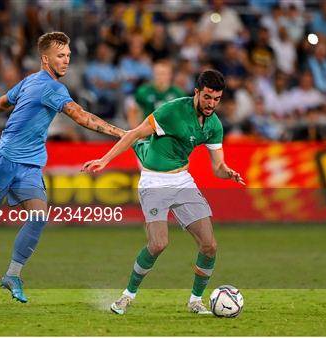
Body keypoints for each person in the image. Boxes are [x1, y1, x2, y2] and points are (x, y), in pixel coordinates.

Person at [0, 32, 125, 302]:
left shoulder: (30, 81)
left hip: (29, 165)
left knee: (39, 215)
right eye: (60, 56)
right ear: (45, 58)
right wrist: (122, 133)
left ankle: (12, 275)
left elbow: (4, 100)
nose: (66, 61)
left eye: (68, 56)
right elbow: (81, 116)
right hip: (3, 160)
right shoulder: (52, 88)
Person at [83, 70, 245, 314]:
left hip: (182, 180)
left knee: (210, 245)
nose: (212, 104)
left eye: (217, 99)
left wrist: (228, 172)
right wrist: (105, 160)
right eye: (207, 97)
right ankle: (127, 296)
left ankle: (195, 301)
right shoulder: (171, 111)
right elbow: (134, 133)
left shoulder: (214, 125)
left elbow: (218, 168)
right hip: (154, 181)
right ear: (197, 92)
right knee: (158, 244)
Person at [126, 60, 185, 129]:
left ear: (170, 75)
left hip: (170, 135)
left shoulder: (178, 93)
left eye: (163, 73)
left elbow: (183, 116)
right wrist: (135, 133)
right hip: (147, 134)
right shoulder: (143, 91)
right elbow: (132, 111)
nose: (160, 77)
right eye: (157, 73)